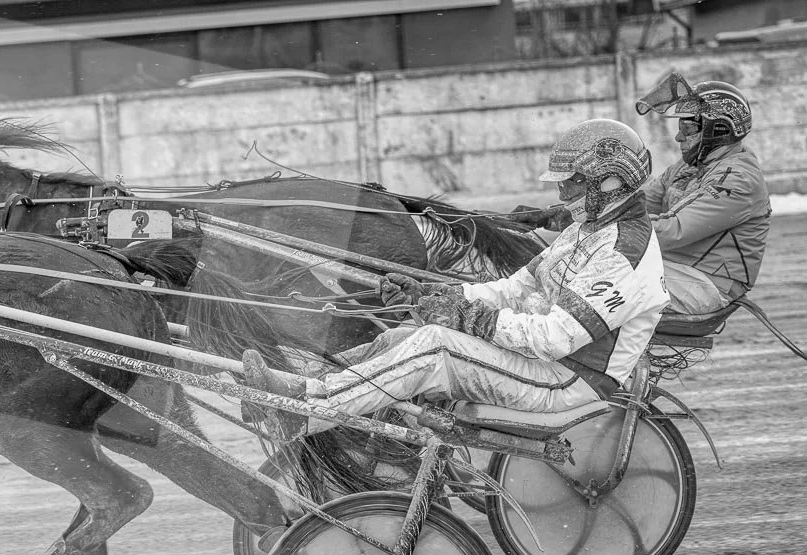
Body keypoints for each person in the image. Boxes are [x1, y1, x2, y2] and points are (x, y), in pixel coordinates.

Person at [243, 118, 669, 425]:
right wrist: (431, 298)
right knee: (398, 337)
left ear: (609, 183)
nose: (560, 191)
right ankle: (294, 386)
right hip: (541, 367)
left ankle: (308, 411)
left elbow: (553, 339)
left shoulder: (622, 254)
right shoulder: (585, 231)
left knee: (434, 346)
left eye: (571, 181)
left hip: (569, 382)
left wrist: (466, 319)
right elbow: (513, 290)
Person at [634, 75, 771, 315]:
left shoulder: (737, 179)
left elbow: (673, 230)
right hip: (678, 269)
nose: (678, 137)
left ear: (717, 129)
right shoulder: (691, 166)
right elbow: (640, 204)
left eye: (687, 128)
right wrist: (580, 214)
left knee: (610, 284)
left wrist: (608, 226)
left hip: (710, 283)